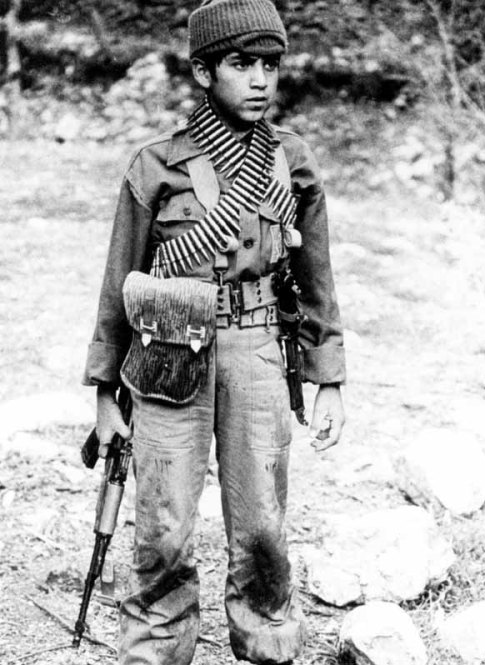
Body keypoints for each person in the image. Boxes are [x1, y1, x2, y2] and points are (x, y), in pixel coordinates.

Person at [83, 1, 346, 663]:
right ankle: (156, 648)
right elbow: (120, 284)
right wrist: (102, 393)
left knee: (262, 525)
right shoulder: (156, 166)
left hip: (259, 349)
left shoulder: (294, 164)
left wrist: (329, 378)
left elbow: (317, 281)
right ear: (203, 71)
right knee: (165, 526)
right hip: (168, 359)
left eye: (270, 65)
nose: (260, 79)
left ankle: (267, 643)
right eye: (240, 64)